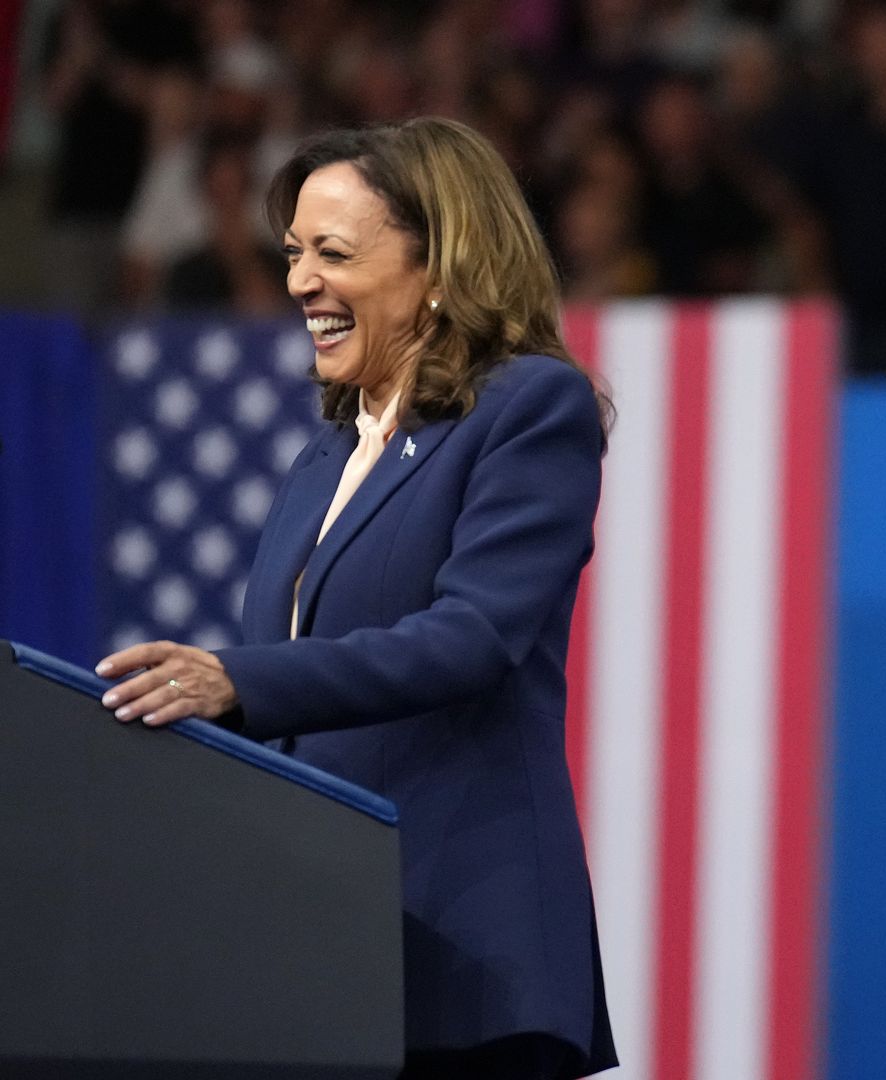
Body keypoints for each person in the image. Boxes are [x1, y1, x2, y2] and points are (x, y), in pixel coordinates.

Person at [94, 117, 618, 1080]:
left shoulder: (529, 408)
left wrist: (236, 682)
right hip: (328, 950)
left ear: (442, 265)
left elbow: (471, 637)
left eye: (332, 253)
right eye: (293, 252)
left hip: (464, 948)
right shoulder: (332, 449)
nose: (298, 282)